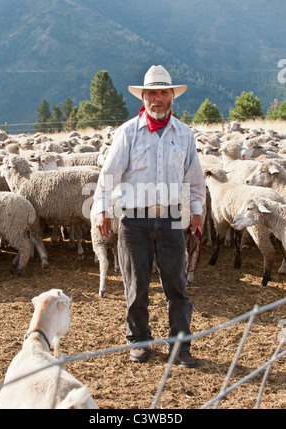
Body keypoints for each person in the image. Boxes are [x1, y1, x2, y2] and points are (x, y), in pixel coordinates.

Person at [93, 65, 206, 367]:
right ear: (143, 97)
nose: (158, 98)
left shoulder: (184, 134)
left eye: (163, 92)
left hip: (171, 219)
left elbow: (195, 180)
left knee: (177, 285)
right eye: (152, 93)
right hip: (134, 220)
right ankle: (139, 339)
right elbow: (108, 176)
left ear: (172, 96)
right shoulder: (127, 133)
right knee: (136, 283)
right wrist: (102, 211)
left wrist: (197, 213)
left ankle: (180, 345)